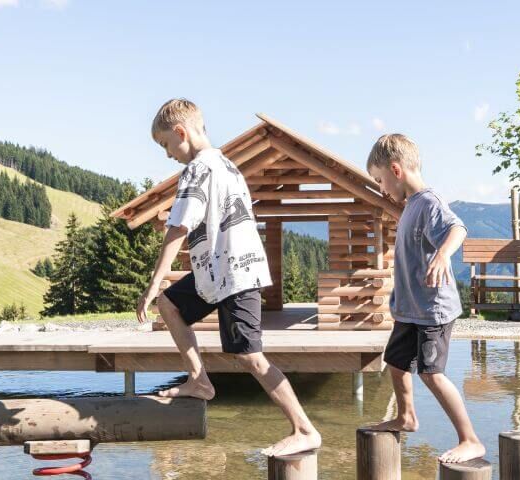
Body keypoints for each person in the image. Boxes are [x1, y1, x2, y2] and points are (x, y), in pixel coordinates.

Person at [135, 98, 320, 457]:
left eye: (165, 145)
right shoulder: (227, 166)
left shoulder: (197, 170)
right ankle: (199, 381)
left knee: (250, 356)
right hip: (219, 273)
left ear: (181, 132)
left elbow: (178, 229)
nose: (167, 154)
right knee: (170, 304)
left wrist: (153, 282)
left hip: (234, 274)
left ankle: (304, 428)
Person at [364, 133, 485, 463]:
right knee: (396, 362)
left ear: (396, 169)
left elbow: (458, 228)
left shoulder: (429, 202)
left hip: (433, 310)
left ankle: (470, 439)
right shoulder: (411, 206)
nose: (380, 188)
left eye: (380, 180)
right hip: (410, 311)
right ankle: (406, 417)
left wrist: (444, 254)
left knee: (431, 373)